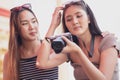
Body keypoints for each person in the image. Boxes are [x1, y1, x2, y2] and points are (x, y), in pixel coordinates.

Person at [36, 0, 120, 80]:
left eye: (79, 16)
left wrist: (78, 52)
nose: (75, 22)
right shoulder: (71, 47)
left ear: (89, 18)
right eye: (69, 19)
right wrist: (53, 25)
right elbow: (41, 63)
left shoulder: (107, 41)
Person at [3, 3, 58, 80]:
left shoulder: (52, 47)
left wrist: (53, 24)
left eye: (34, 21)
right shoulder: (10, 56)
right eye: (25, 23)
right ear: (16, 30)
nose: (31, 27)